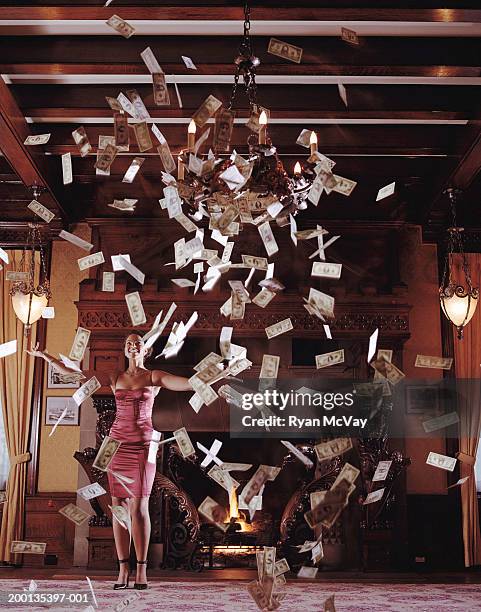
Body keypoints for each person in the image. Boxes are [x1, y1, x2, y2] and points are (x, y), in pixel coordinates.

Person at [27, 332, 193, 590]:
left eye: (138, 342)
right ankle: (123, 569)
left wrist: (215, 375)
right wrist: (44, 356)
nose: (133, 345)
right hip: (115, 446)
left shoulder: (154, 376)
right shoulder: (115, 376)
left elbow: (187, 383)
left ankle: (141, 570)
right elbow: (77, 374)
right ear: (125, 349)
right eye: (128, 342)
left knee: (139, 507)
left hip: (142, 446)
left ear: (145, 349)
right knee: (119, 507)